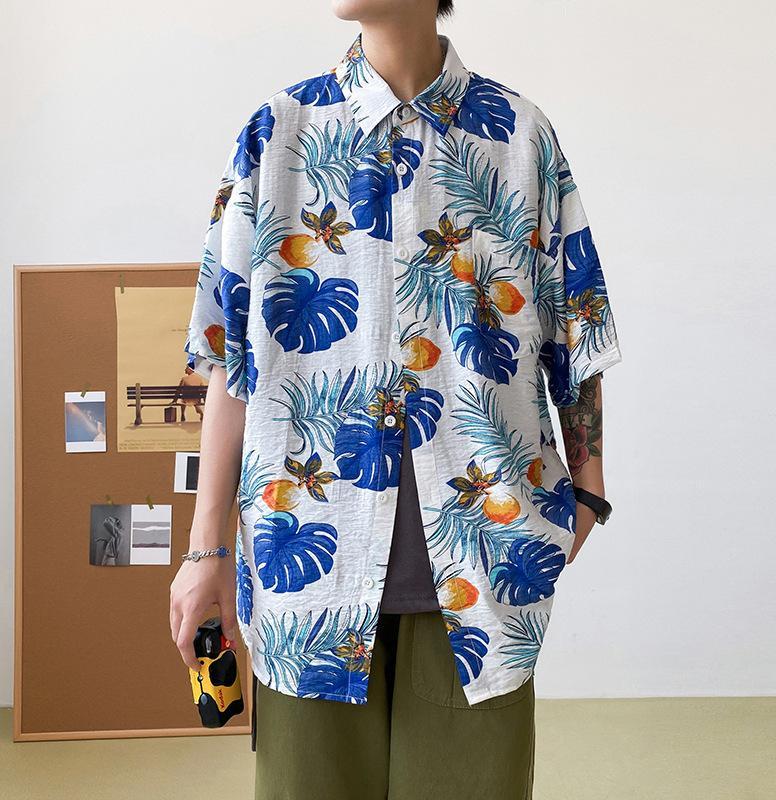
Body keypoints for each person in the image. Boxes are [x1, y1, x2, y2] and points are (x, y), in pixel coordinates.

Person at [170, 1, 622, 797]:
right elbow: (228, 359)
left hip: (484, 568)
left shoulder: (519, 137)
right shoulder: (278, 134)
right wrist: (205, 551)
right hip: (305, 581)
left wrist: (589, 494)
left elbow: (575, 330)